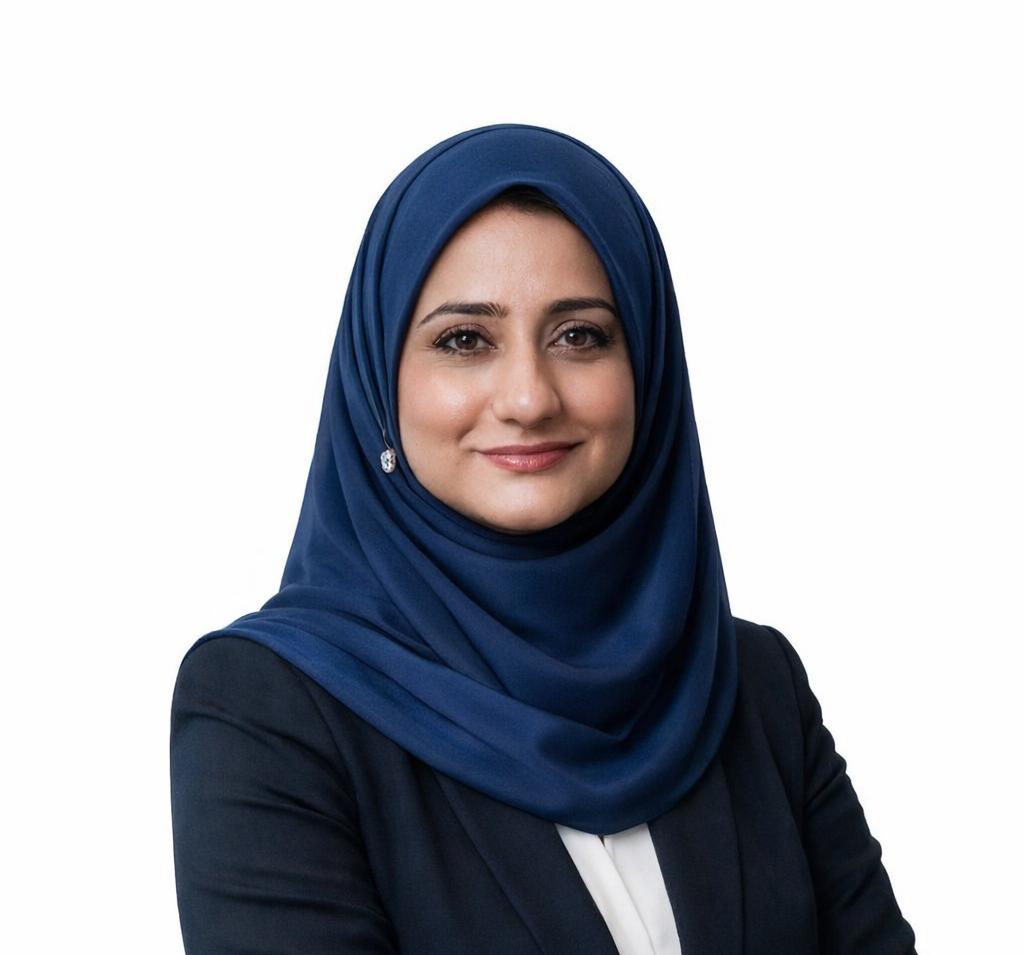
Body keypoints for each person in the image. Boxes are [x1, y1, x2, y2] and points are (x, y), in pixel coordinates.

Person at [170, 124, 916, 954]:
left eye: (579, 335)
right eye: (464, 340)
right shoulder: (270, 705)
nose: (528, 398)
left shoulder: (752, 684)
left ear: (648, 367)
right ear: (380, 379)